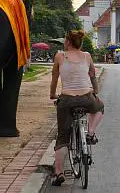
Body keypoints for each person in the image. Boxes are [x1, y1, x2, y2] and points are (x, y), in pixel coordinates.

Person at [49, 30, 105, 186]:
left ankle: (59, 173)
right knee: (99, 107)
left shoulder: (60, 56)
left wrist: (52, 94)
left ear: (67, 42)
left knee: (62, 138)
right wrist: (96, 92)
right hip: (87, 98)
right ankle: (91, 133)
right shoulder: (87, 56)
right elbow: (93, 75)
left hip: (66, 100)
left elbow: (54, 78)